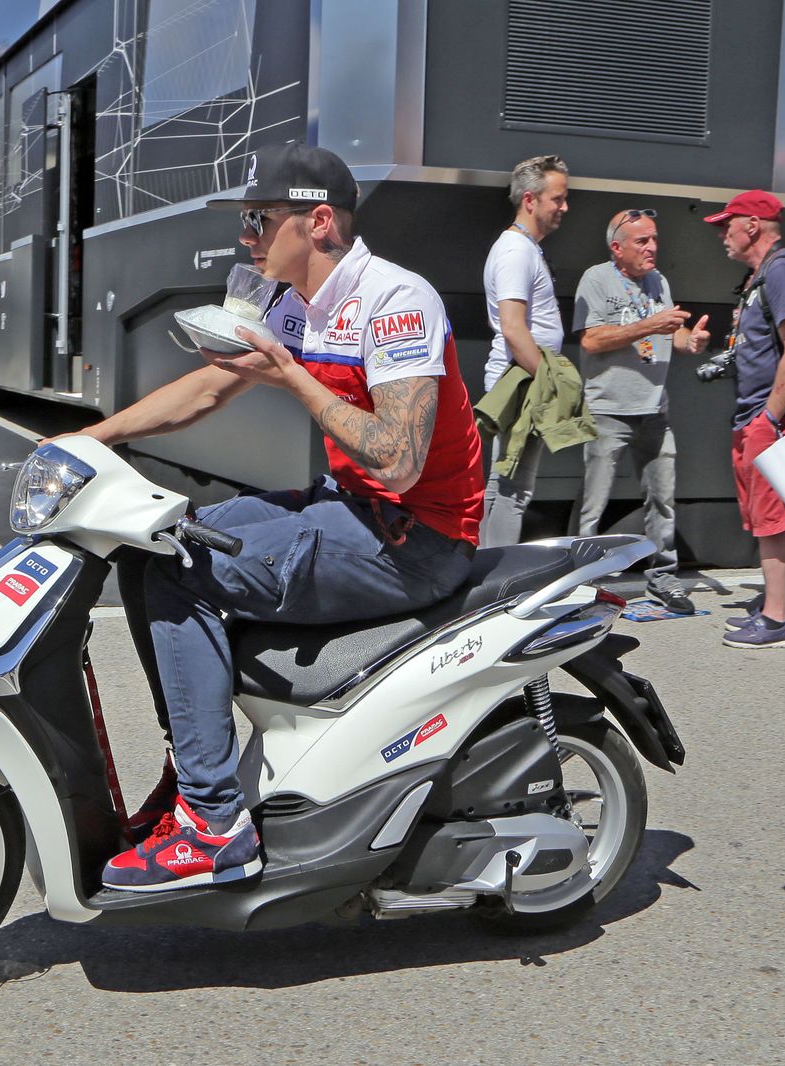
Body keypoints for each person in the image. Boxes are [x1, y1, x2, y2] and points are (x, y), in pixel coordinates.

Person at [80, 143, 484, 891]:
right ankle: (192, 774)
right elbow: (209, 388)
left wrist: (291, 376)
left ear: (319, 221)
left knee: (183, 575)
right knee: (151, 546)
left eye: (259, 220)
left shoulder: (397, 301)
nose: (246, 238)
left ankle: (214, 828)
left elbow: (398, 460)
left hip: (419, 538)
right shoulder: (293, 304)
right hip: (349, 508)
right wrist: (90, 438)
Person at [570, 209, 711, 612]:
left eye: (654, 239)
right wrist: (651, 325)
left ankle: (663, 576)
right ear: (617, 248)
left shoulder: (658, 281)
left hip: (654, 408)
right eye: (642, 241)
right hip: (608, 409)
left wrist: (691, 340)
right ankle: (578, 583)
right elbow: (592, 340)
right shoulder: (596, 279)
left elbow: (672, 332)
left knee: (662, 499)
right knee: (593, 506)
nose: (652, 247)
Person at [700, 190, 785, 649]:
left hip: (774, 420)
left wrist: (769, 418)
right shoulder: (760, 277)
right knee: (765, 520)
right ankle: (779, 604)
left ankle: (775, 622)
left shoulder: (781, 270)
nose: (722, 235)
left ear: (752, 225)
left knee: (770, 521)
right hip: (756, 416)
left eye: (726, 225)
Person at [479, 154, 572, 546]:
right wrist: (552, 383)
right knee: (512, 491)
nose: (564, 207)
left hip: (524, 382)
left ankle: (485, 568)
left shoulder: (525, 248)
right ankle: (498, 575)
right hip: (522, 385)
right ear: (530, 200)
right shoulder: (516, 251)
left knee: (505, 486)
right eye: (558, 199)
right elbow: (514, 329)